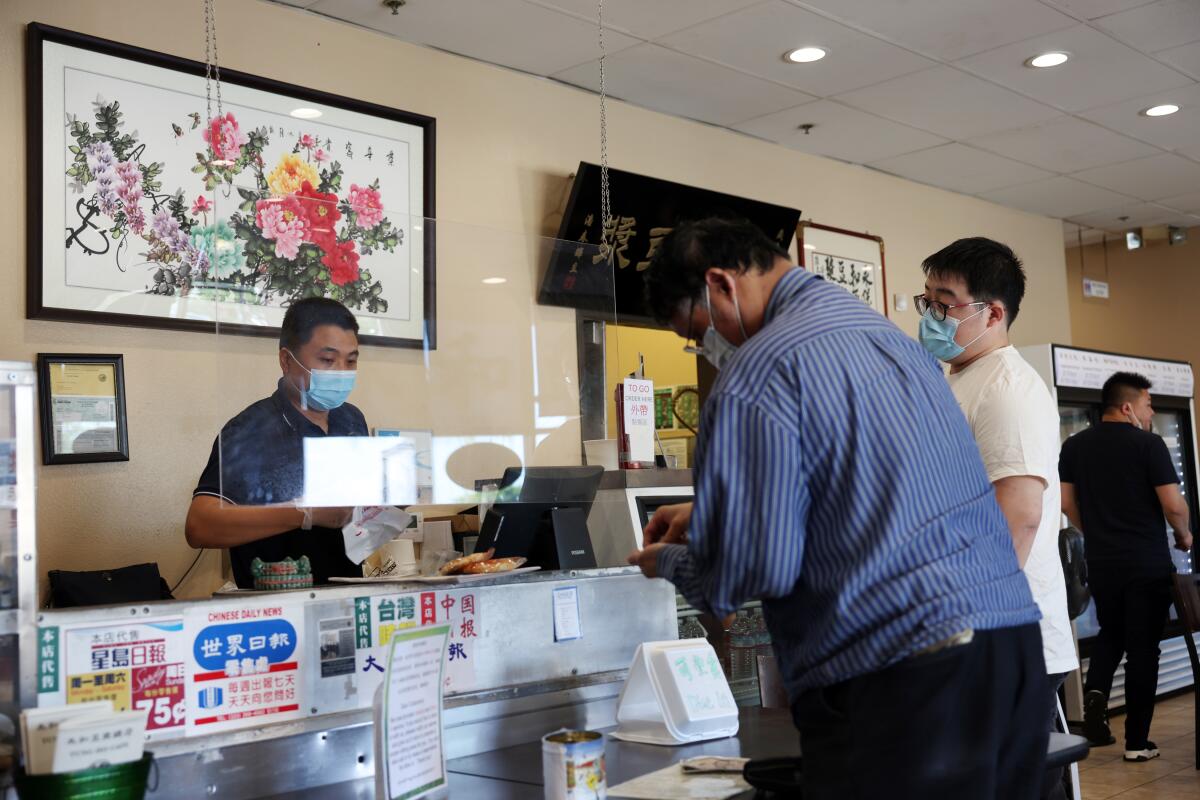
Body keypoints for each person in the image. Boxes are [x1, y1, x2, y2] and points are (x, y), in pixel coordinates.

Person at [629, 217, 1048, 800]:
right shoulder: (891, 342)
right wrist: (709, 514)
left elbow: (755, 572)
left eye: (697, 331)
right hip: (1010, 653)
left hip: (903, 676)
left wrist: (667, 563)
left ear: (721, 286)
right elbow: (866, 491)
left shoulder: (757, 373)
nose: (707, 346)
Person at [919, 237, 1078, 800]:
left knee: (1015, 785)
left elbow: (1020, 516)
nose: (932, 316)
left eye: (946, 303)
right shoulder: (957, 379)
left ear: (993, 312)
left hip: (1008, 636)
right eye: (927, 302)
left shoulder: (1009, 389)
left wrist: (967, 629)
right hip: (977, 631)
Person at [185, 297, 366, 588]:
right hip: (275, 606)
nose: (342, 371)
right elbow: (200, 526)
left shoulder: (351, 420)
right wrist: (305, 514)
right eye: (328, 360)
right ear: (286, 360)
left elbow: (351, 517)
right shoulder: (249, 429)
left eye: (351, 360)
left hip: (345, 596)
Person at [1059, 372, 1193, 761]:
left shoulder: (1074, 446)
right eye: (1149, 405)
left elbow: (1067, 504)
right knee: (1143, 649)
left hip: (1102, 562)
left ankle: (1097, 701)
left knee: (1111, 634)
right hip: (1145, 563)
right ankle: (1137, 742)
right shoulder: (1148, 445)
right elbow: (1173, 504)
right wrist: (1183, 536)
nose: (1152, 413)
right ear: (1128, 406)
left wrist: (1098, 532)